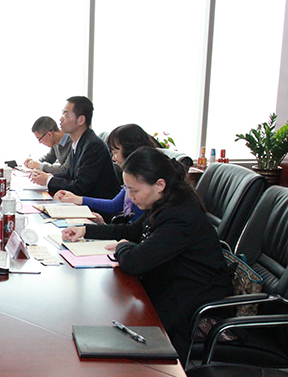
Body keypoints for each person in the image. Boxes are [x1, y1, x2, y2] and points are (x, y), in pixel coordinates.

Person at [61, 147, 233, 357]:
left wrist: (123, 246)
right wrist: (87, 230)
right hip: (170, 287)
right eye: (128, 189)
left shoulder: (179, 217)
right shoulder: (163, 202)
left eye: (134, 190)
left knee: (111, 323)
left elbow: (134, 262)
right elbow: (132, 231)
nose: (130, 197)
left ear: (159, 185)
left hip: (192, 304)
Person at [55, 124, 158, 223]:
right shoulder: (134, 176)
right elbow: (115, 205)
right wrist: (76, 199)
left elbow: (134, 229)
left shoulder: (145, 180)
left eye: (115, 152)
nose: (113, 158)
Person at [30, 96, 120, 199]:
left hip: (97, 205)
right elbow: (69, 174)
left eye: (66, 115)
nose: (60, 119)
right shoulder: (78, 142)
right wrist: (47, 177)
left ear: (81, 120)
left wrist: (48, 180)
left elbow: (81, 187)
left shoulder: (93, 146)